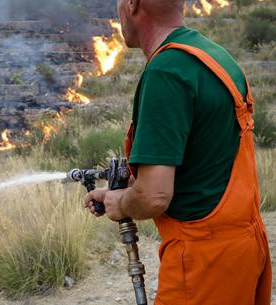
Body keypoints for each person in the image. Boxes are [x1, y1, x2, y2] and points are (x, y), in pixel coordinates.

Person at [84, 0, 272, 304]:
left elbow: (154, 196)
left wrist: (121, 203)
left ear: (133, 4)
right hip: (247, 251)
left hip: (204, 265)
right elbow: (204, 164)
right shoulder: (215, 56)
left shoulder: (165, 71)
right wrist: (126, 189)